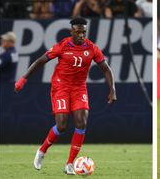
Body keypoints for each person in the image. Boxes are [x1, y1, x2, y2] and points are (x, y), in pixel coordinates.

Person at [14, 17, 117, 175]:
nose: (81, 35)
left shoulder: (92, 48)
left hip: (79, 88)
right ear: (72, 32)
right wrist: (23, 79)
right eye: (78, 32)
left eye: (84, 32)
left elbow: (106, 68)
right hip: (61, 87)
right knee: (62, 126)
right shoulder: (62, 45)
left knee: (81, 124)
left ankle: (69, 164)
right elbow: (41, 61)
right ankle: (42, 151)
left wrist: (112, 90)